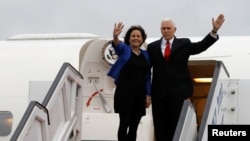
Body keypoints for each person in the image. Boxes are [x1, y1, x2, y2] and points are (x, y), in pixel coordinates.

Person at [147, 14, 225, 141]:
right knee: (161, 129)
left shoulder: (184, 43)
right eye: (163, 28)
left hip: (179, 95)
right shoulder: (152, 47)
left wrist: (214, 31)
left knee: (177, 128)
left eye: (168, 28)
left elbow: (201, 46)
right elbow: (145, 69)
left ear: (174, 29)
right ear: (160, 30)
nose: (166, 31)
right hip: (159, 96)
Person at [107, 22, 152, 141]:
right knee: (124, 124)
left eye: (138, 36)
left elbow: (147, 76)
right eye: (133, 36)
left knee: (134, 126)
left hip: (139, 95)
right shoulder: (124, 50)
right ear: (129, 38)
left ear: (142, 39)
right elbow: (117, 45)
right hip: (125, 94)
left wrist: (148, 95)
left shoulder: (146, 55)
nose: (136, 38)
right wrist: (115, 36)